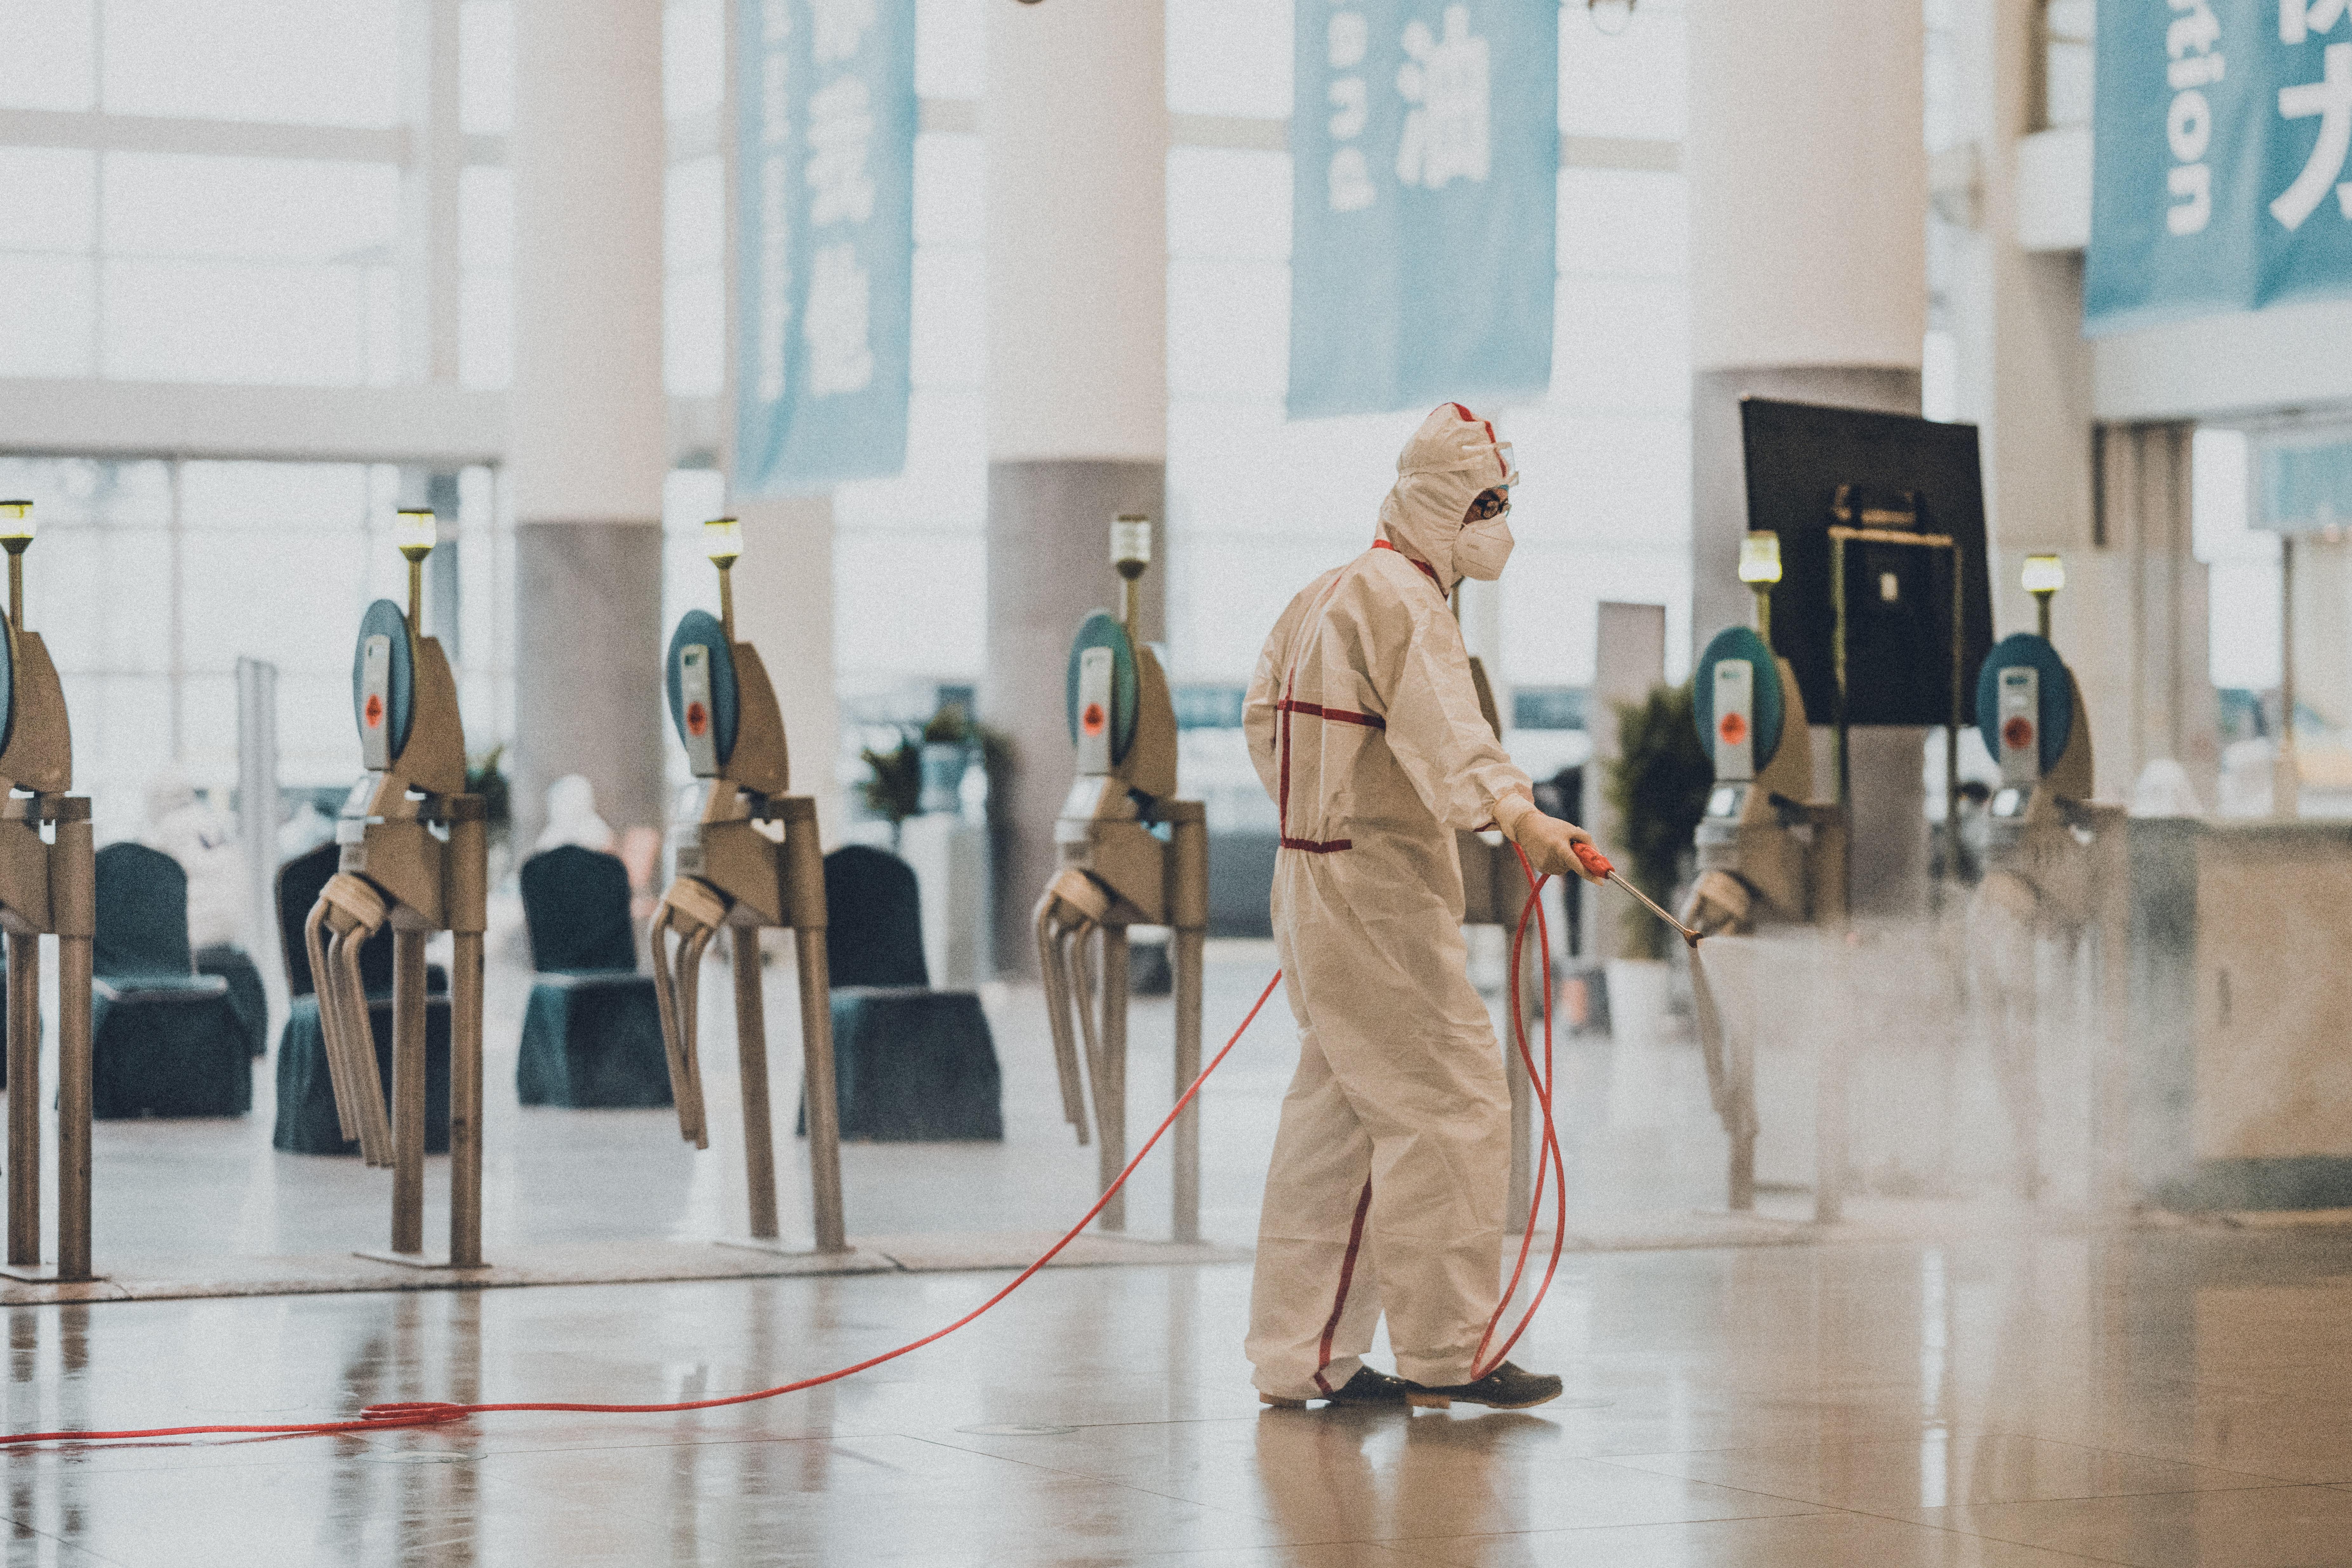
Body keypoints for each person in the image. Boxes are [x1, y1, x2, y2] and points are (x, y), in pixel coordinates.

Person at [1241, 403, 1604, 1412]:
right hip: (1377, 893)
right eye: (1485, 505)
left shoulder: (1324, 593)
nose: (1499, 526)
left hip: (1311, 880)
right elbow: (1454, 733)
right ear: (1441, 506)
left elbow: (1258, 716)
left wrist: (1313, 814)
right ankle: (1453, 1350)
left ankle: (1298, 1354)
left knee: (1340, 1118)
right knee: (1448, 1101)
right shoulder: (1404, 600)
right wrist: (1522, 818)